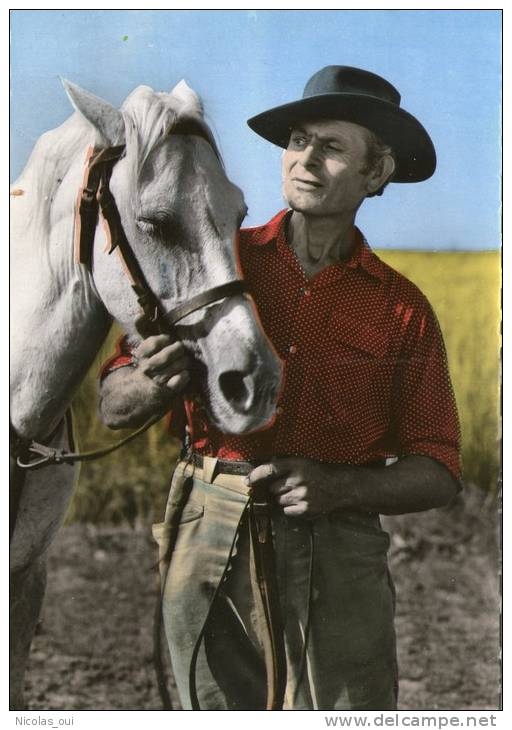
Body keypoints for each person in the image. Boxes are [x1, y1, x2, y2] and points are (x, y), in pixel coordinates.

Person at [99, 65, 461, 711]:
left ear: (375, 174)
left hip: (340, 551)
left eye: (331, 147)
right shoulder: (217, 263)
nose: (304, 160)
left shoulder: (402, 309)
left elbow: (439, 469)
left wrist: (339, 486)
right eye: (298, 140)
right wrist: (152, 382)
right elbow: (111, 404)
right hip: (207, 528)